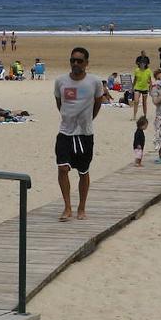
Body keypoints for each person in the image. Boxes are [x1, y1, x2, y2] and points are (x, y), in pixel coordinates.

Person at [54, 46, 105, 221]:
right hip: (65, 132)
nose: (75, 63)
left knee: (83, 171)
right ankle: (67, 207)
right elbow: (59, 103)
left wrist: (89, 119)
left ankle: (81, 207)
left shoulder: (95, 82)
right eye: (72, 60)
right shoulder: (60, 81)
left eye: (79, 61)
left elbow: (98, 102)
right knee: (62, 168)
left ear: (86, 63)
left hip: (85, 133)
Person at [131, 56, 153, 121]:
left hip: (145, 88)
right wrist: (132, 87)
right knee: (136, 101)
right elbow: (135, 80)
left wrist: (150, 89)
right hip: (137, 87)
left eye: (143, 63)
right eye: (141, 63)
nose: (142, 64)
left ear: (146, 64)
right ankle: (134, 116)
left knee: (144, 103)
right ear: (139, 64)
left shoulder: (148, 71)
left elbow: (150, 80)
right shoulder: (137, 70)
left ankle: (145, 116)